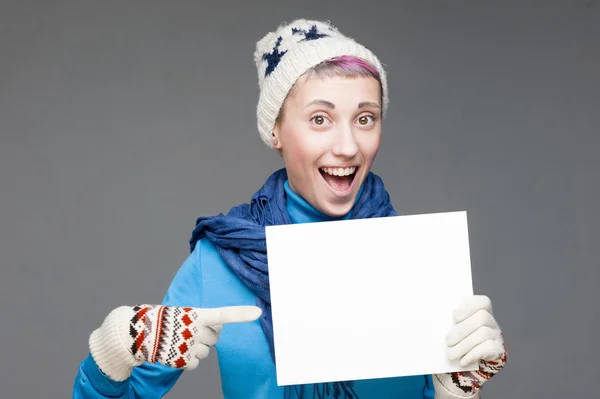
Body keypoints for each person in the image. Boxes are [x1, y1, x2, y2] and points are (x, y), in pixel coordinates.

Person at [72, 19, 507, 399]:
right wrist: (113, 354)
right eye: (320, 119)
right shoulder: (220, 263)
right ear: (276, 130)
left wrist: (458, 391)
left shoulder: (420, 263)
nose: (348, 146)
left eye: (365, 118)